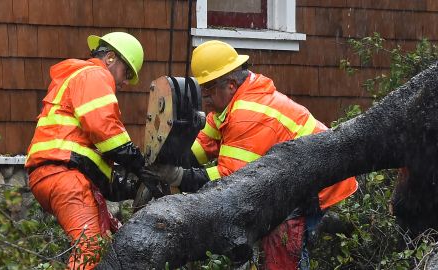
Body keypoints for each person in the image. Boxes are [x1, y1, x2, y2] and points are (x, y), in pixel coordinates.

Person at [142, 40, 358, 269]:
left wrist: (176, 177)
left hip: (317, 184)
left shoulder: (247, 114)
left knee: (281, 247)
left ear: (231, 85)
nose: (204, 98)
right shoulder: (231, 103)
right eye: (202, 88)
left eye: (209, 89)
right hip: (294, 173)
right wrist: (167, 158)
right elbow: (201, 146)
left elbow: (231, 182)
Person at [25, 32, 145, 269]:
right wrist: (140, 164)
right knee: (90, 250)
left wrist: (131, 187)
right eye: (126, 73)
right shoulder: (95, 74)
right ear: (110, 58)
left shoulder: (80, 79)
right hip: (64, 177)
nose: (125, 83)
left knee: (106, 246)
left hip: (58, 175)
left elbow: (92, 162)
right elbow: (104, 130)